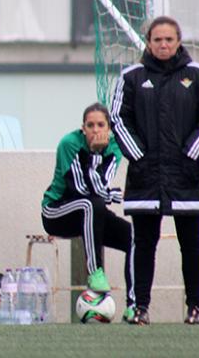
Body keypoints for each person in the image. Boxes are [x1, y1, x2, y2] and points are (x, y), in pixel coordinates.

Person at [111, 16, 199, 325]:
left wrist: (190, 155)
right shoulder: (131, 77)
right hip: (145, 177)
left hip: (188, 177)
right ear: (148, 42)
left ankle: (194, 307)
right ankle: (139, 307)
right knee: (144, 243)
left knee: (191, 243)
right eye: (157, 39)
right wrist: (140, 157)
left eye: (169, 39)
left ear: (178, 42)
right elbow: (119, 119)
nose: (163, 44)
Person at [41, 102, 135, 320]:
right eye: (90, 125)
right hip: (57, 211)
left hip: (92, 212)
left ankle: (134, 305)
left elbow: (100, 187)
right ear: (82, 128)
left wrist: (108, 191)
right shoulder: (69, 144)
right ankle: (94, 271)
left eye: (100, 125)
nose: (95, 130)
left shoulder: (115, 147)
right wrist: (93, 154)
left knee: (134, 237)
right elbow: (80, 189)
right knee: (90, 204)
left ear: (109, 128)